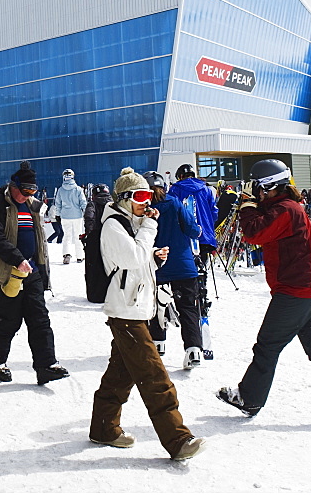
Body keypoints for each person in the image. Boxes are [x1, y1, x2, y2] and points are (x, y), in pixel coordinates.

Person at [218, 159, 311, 424]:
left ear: (268, 187)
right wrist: (253, 206)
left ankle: (249, 397)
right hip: (304, 287)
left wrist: (246, 207)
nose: (255, 193)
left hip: (296, 290)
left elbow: (254, 233)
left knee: (267, 344)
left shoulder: (286, 210)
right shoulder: (283, 208)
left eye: (257, 187)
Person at [90, 167, 205, 461]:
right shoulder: (114, 225)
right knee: (155, 376)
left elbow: (136, 264)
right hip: (125, 311)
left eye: (149, 196)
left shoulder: (131, 223)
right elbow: (131, 258)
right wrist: (149, 235)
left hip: (134, 306)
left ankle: (104, 428)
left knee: (120, 374)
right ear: (125, 198)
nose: (147, 202)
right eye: (141, 196)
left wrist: (153, 261)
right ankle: (177, 439)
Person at [0, 161, 69, 386]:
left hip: (32, 270)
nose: (27, 195)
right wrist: (17, 259)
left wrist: (42, 269)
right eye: (24, 190)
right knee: (10, 317)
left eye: (32, 191)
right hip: (5, 271)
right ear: (13, 185)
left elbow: (40, 240)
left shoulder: (33, 206)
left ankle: (46, 365)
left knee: (39, 317)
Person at [143, 171, 204, 369]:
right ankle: (193, 349)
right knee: (188, 307)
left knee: (157, 306)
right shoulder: (175, 203)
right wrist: (199, 231)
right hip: (183, 266)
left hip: (156, 265)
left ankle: (158, 343)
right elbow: (192, 229)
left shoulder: (144, 209)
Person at [168, 164, 219, 259]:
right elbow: (214, 212)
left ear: (180, 176)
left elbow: (172, 211)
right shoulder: (206, 189)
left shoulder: (175, 189)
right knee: (202, 262)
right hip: (205, 234)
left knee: (189, 265)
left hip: (184, 236)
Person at [53, 168, 87, 264]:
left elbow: (58, 204)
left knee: (67, 236)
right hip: (77, 216)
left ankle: (66, 255)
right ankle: (80, 256)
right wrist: (86, 212)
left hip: (65, 216)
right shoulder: (78, 189)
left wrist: (58, 215)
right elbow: (83, 203)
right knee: (78, 236)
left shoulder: (60, 190)